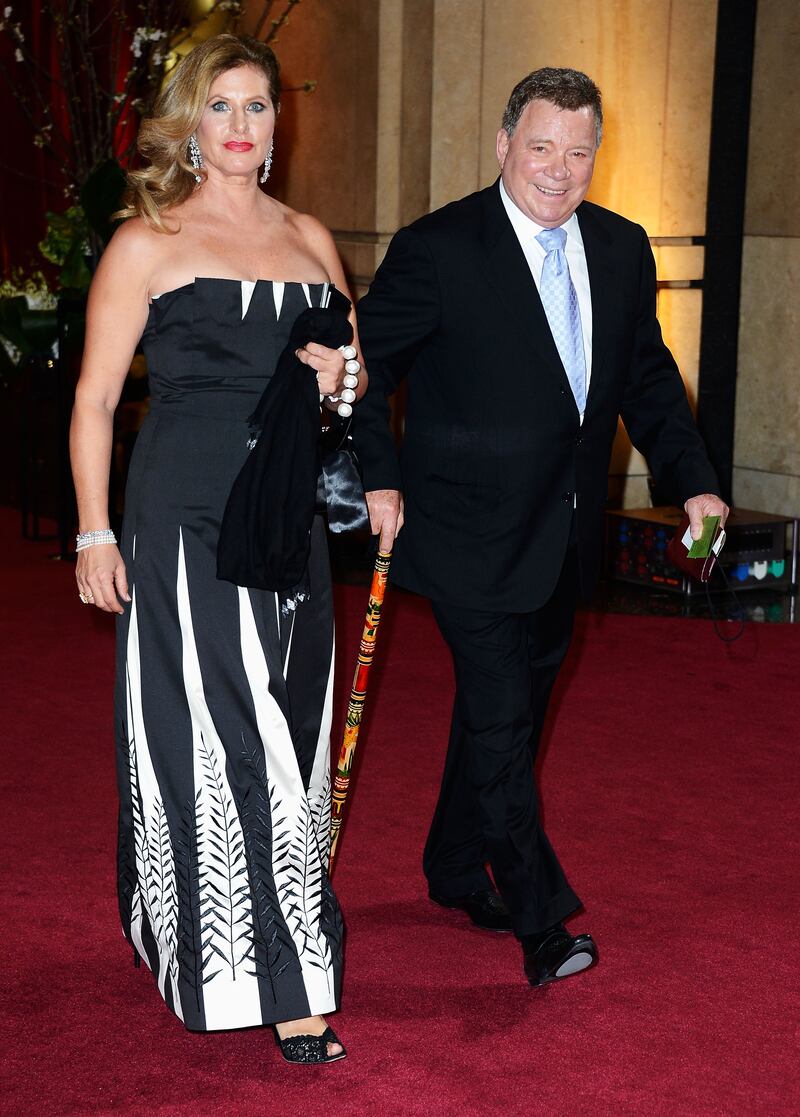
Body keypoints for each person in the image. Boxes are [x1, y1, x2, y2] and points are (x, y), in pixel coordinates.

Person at [352, 67, 728, 987]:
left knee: (506, 715)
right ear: (503, 145)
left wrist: (694, 485)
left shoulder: (622, 248)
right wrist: (378, 476)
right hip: (465, 533)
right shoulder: (439, 248)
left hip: (564, 537)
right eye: (541, 147)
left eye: (579, 151)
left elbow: (647, 380)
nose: (559, 169)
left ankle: (453, 863)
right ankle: (540, 919)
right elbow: (365, 365)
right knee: (502, 720)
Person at [69, 34, 366, 1062]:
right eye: (222, 106)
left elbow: (350, 389)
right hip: (183, 518)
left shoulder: (310, 237)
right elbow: (94, 400)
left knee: (292, 727)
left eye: (258, 106)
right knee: (233, 736)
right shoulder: (144, 242)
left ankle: (193, 933)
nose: (242, 125)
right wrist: (94, 529)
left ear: (279, 123)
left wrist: (336, 383)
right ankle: (288, 982)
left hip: (286, 518)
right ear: (189, 124)